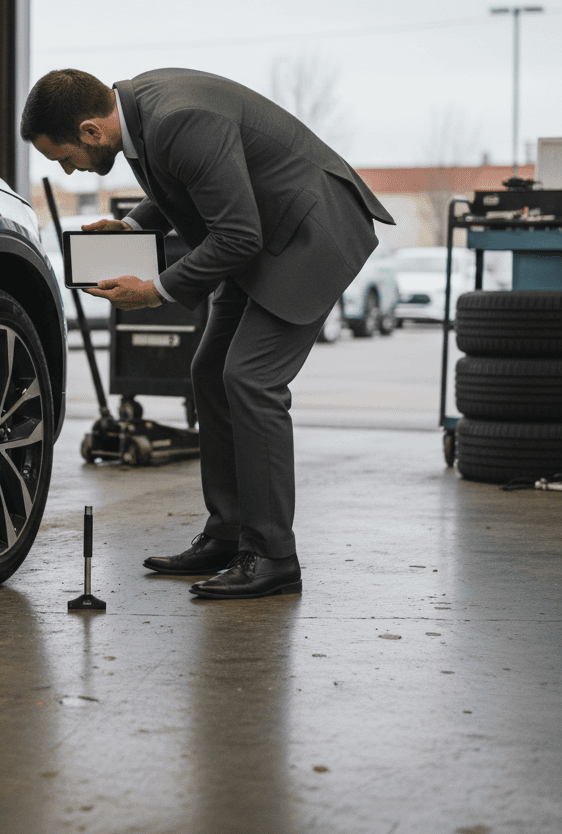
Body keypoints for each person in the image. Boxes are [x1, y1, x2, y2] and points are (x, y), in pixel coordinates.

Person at [22, 68, 394, 600]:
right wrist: (131, 227)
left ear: (89, 131)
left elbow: (238, 234)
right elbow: (185, 181)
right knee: (209, 373)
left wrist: (154, 292)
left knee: (250, 378)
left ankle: (272, 557)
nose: (70, 171)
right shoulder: (133, 112)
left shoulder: (179, 118)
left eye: (63, 158)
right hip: (262, 233)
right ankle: (227, 534)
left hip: (307, 232)